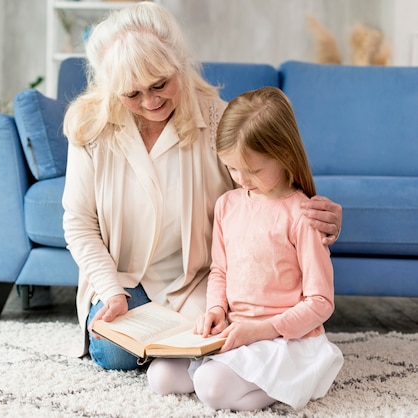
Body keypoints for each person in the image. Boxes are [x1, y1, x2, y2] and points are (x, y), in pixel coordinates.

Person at [61, 1, 342, 371]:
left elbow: (266, 195)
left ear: (179, 62)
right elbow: (79, 222)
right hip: (123, 281)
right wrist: (110, 290)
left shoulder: (217, 118)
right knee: (116, 353)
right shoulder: (90, 127)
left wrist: (320, 220)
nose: (149, 102)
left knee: (217, 340)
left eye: (160, 84)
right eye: (132, 94)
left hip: (198, 281)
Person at [146, 86, 344, 411]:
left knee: (211, 388)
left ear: (285, 155)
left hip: (284, 339)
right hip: (235, 330)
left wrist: (263, 329)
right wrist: (214, 311)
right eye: (233, 168)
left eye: (254, 170)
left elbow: (321, 302)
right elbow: (220, 270)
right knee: (160, 377)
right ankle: (230, 376)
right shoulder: (227, 205)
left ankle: (295, 381)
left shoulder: (303, 215)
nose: (241, 179)